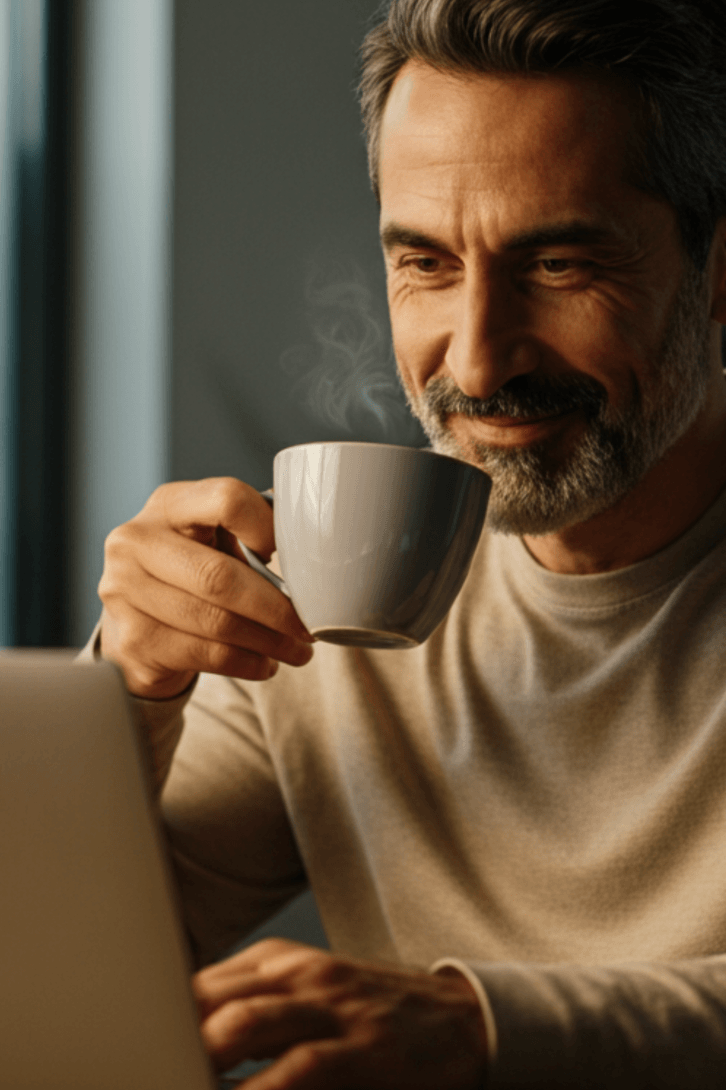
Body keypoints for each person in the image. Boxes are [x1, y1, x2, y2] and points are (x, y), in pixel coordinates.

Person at [86, 0, 726, 1085]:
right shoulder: (322, 591)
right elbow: (73, 975)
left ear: (717, 277)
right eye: (426, 263)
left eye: (561, 266)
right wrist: (128, 700)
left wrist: (484, 1028)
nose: (476, 364)